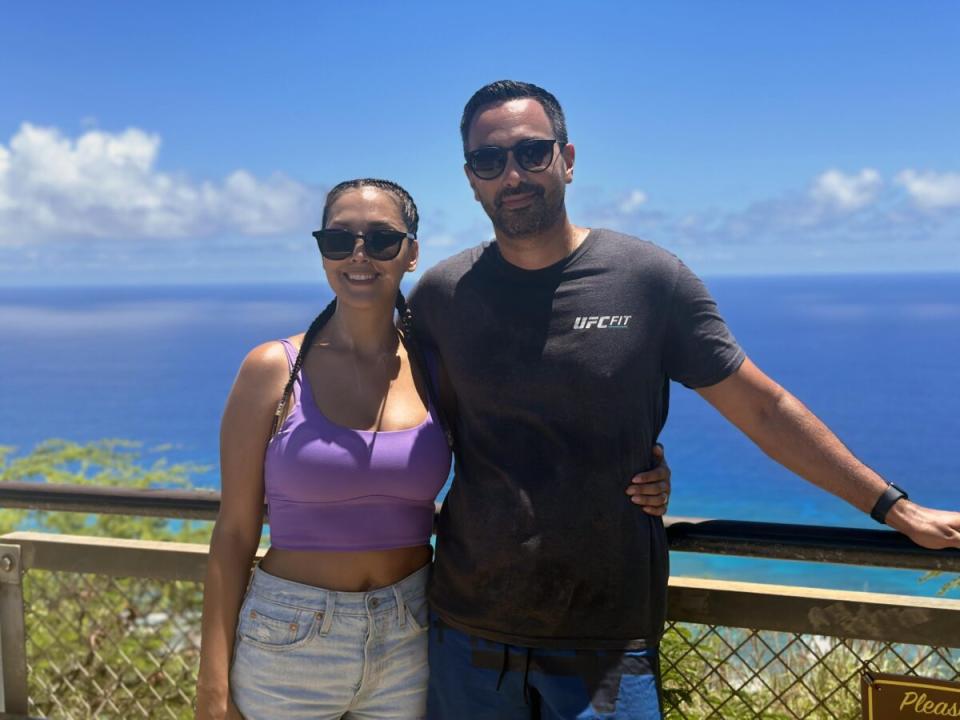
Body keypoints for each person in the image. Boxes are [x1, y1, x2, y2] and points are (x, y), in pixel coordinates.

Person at [409, 80, 960, 719]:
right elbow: (401, 425)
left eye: (532, 152)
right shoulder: (441, 296)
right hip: (467, 629)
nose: (513, 173)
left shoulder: (648, 280)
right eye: (490, 160)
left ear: (568, 158)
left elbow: (762, 407)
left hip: (608, 638)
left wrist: (893, 507)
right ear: (471, 178)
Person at [193, 177, 673, 720]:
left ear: (412, 253)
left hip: (412, 632)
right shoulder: (272, 371)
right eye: (338, 239)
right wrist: (212, 682)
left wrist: (635, 472)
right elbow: (234, 532)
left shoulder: (434, 365)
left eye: (381, 240)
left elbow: (518, 446)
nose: (359, 255)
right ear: (322, 251)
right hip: (291, 635)